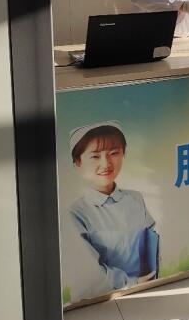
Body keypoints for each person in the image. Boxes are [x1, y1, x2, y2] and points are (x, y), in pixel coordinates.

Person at [65, 121, 159, 301]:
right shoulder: (75, 213)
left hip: (143, 292)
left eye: (114, 153)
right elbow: (87, 274)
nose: (106, 163)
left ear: (123, 154)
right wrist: (133, 283)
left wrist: (150, 279)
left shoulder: (135, 198)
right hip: (98, 302)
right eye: (95, 156)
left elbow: (151, 242)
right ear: (77, 163)